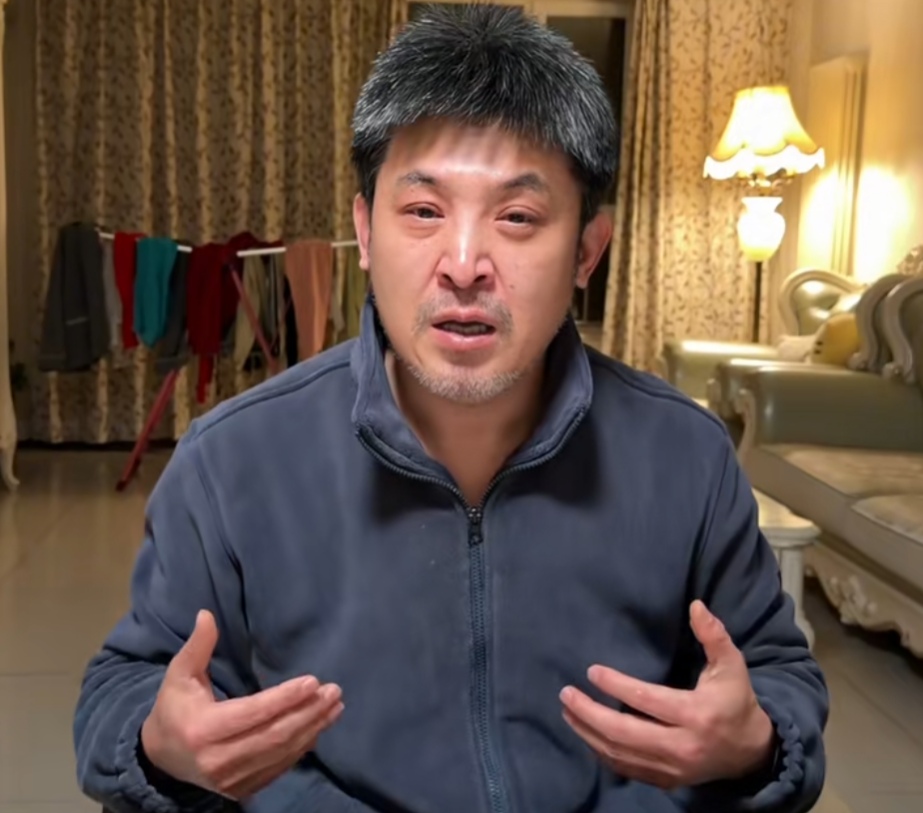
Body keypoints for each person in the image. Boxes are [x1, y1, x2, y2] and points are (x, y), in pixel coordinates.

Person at [73, 5, 828, 813]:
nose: (464, 265)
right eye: (424, 212)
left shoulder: (685, 454)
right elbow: (125, 687)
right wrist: (157, 742)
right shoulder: (231, 460)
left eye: (517, 217)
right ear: (365, 233)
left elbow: (777, 675)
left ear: (586, 251)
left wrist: (753, 742)